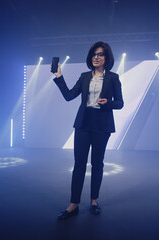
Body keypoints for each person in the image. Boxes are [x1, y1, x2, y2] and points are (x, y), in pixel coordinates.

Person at [52, 41, 124, 220]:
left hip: (102, 125)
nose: (96, 57)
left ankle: (94, 201)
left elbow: (120, 103)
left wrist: (109, 103)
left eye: (100, 54)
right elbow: (69, 96)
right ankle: (73, 204)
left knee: (97, 164)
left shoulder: (113, 78)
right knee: (79, 165)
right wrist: (59, 76)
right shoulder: (84, 76)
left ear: (107, 57)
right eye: (94, 54)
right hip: (83, 124)